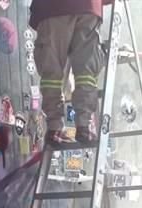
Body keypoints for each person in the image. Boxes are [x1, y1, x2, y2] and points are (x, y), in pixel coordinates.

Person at [30, 0, 113, 145]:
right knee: (86, 70)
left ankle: (54, 127)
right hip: (88, 7)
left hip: (52, 8)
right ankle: (84, 126)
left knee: (52, 68)